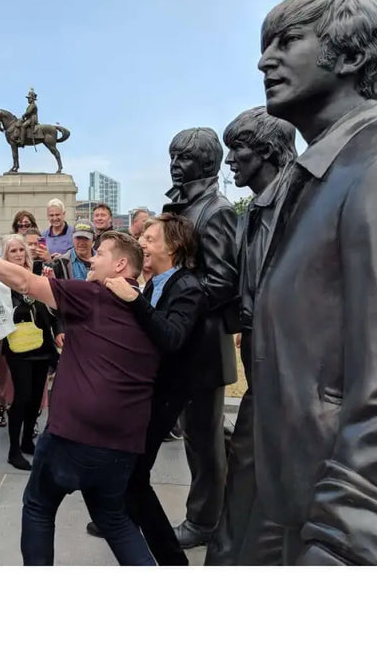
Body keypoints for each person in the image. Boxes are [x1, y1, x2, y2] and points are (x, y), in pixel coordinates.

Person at [249, 0, 377, 565]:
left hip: (338, 531)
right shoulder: (322, 173)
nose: (264, 60)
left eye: (287, 41)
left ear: (350, 57)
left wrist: (344, 546)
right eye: (264, 44)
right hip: (293, 502)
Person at [0, 224, 158, 566]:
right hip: (124, 443)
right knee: (115, 520)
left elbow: (24, 282)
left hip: (73, 436)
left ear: (121, 266)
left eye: (100, 254)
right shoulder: (149, 312)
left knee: (38, 506)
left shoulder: (94, 294)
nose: (92, 260)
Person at [205, 107, 297, 566]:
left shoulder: (299, 202)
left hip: (290, 379)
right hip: (263, 367)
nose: (231, 162)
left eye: (238, 150)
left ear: (266, 150)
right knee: (244, 480)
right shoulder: (252, 213)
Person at [93, 213, 208, 564]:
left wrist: (134, 299)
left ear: (173, 246)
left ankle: (170, 559)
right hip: (145, 393)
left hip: (165, 396)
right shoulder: (155, 282)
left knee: (134, 478)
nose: (142, 243)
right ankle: (129, 530)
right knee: (130, 476)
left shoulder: (188, 287)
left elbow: (171, 337)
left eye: (150, 239)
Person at [162, 126, 239, 549]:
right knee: (205, 434)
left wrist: (176, 296)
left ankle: (205, 521)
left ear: (206, 162)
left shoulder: (217, 210)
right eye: (172, 156)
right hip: (184, 343)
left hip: (205, 345)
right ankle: (234, 496)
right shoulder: (182, 206)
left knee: (203, 442)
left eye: (184, 158)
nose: (175, 165)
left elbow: (223, 281)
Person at [0, 235, 58, 471]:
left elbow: (51, 306)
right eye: (13, 251)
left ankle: (26, 441)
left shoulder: (37, 274)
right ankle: (14, 449)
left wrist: (47, 285)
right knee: (21, 397)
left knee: (35, 398)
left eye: (21, 250)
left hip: (41, 342)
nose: (18, 254)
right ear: (6, 255)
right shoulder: (3, 279)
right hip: (18, 345)